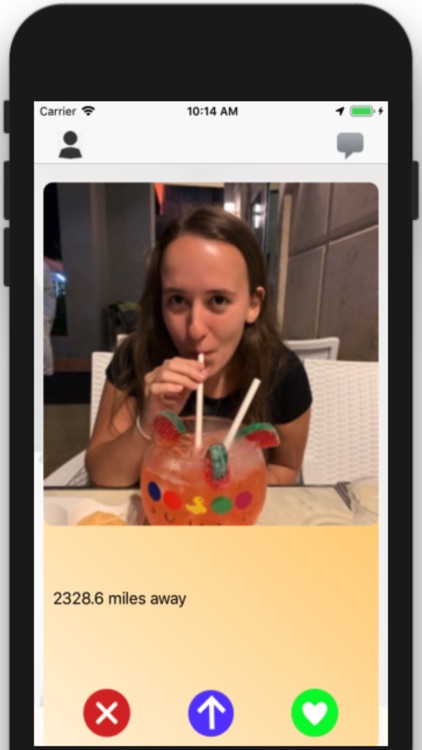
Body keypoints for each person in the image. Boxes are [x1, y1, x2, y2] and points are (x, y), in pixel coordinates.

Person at [85, 205, 312, 487]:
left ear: (253, 305)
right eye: (177, 300)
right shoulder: (137, 356)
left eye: (218, 300)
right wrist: (147, 422)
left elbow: (285, 466)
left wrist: (232, 490)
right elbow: (102, 474)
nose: (195, 329)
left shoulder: (282, 372)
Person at [43, 259, 57, 376]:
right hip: (44, 310)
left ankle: (47, 369)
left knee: (43, 339)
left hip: (43, 310)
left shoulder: (40, 266)